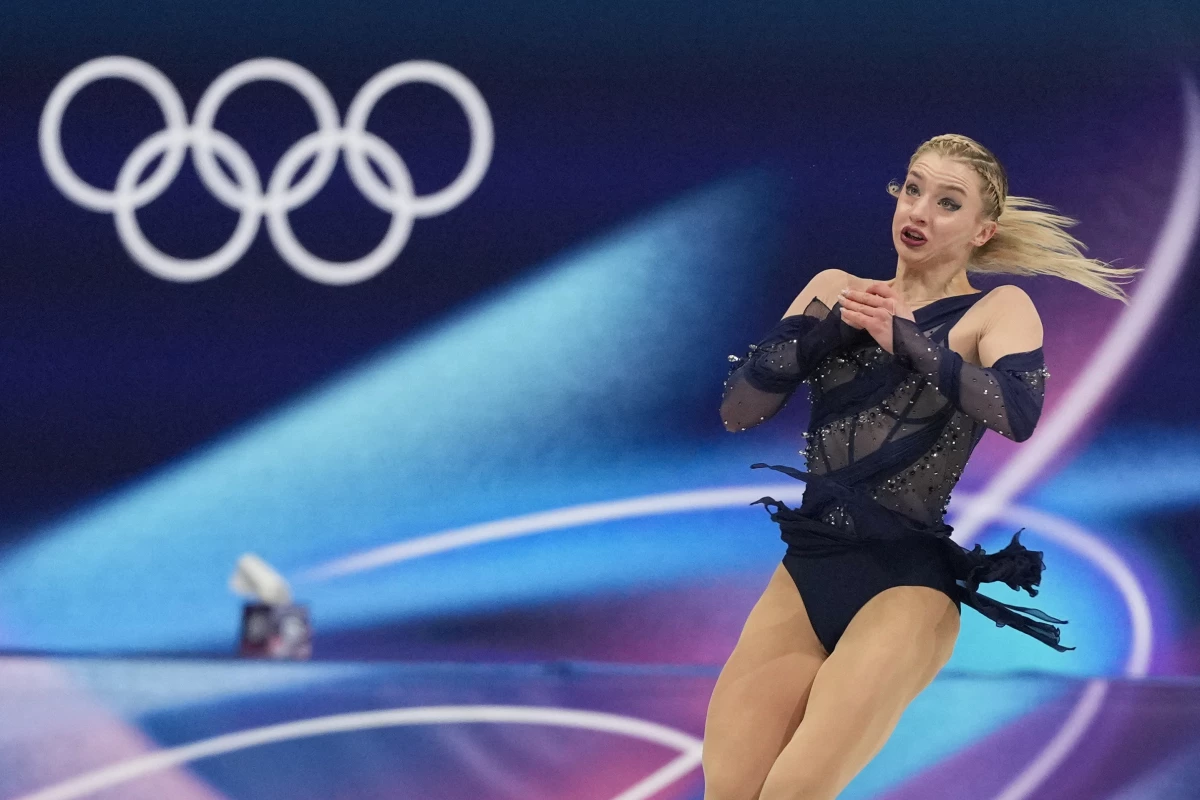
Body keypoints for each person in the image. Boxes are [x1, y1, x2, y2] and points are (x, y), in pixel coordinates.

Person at [703, 133, 1138, 800]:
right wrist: (833, 331)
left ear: (981, 230)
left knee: (792, 793)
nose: (920, 210)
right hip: (806, 572)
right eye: (913, 189)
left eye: (948, 202)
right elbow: (739, 408)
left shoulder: (998, 309)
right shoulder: (836, 289)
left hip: (905, 587)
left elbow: (1016, 414)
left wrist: (902, 338)